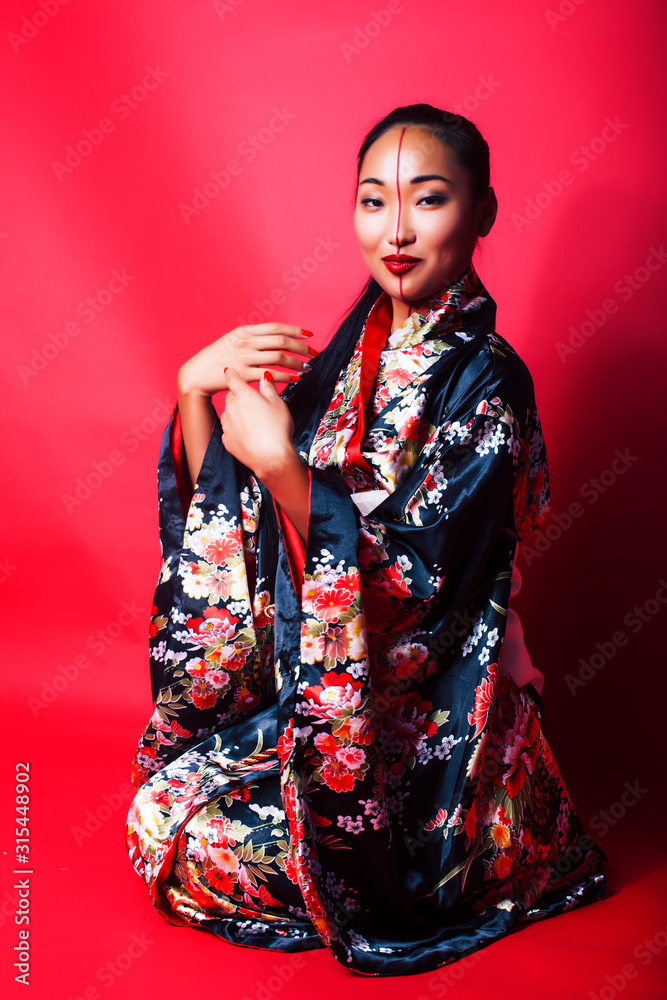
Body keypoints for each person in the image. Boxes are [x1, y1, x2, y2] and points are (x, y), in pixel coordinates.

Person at [125, 104, 608, 976]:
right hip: (336, 703)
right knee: (167, 802)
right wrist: (193, 389)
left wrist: (284, 471)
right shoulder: (351, 359)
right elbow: (239, 525)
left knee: (206, 843)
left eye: (426, 201)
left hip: (432, 733)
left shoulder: (488, 383)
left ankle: (489, 851)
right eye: (371, 201)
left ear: (482, 212)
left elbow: (422, 588)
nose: (394, 232)